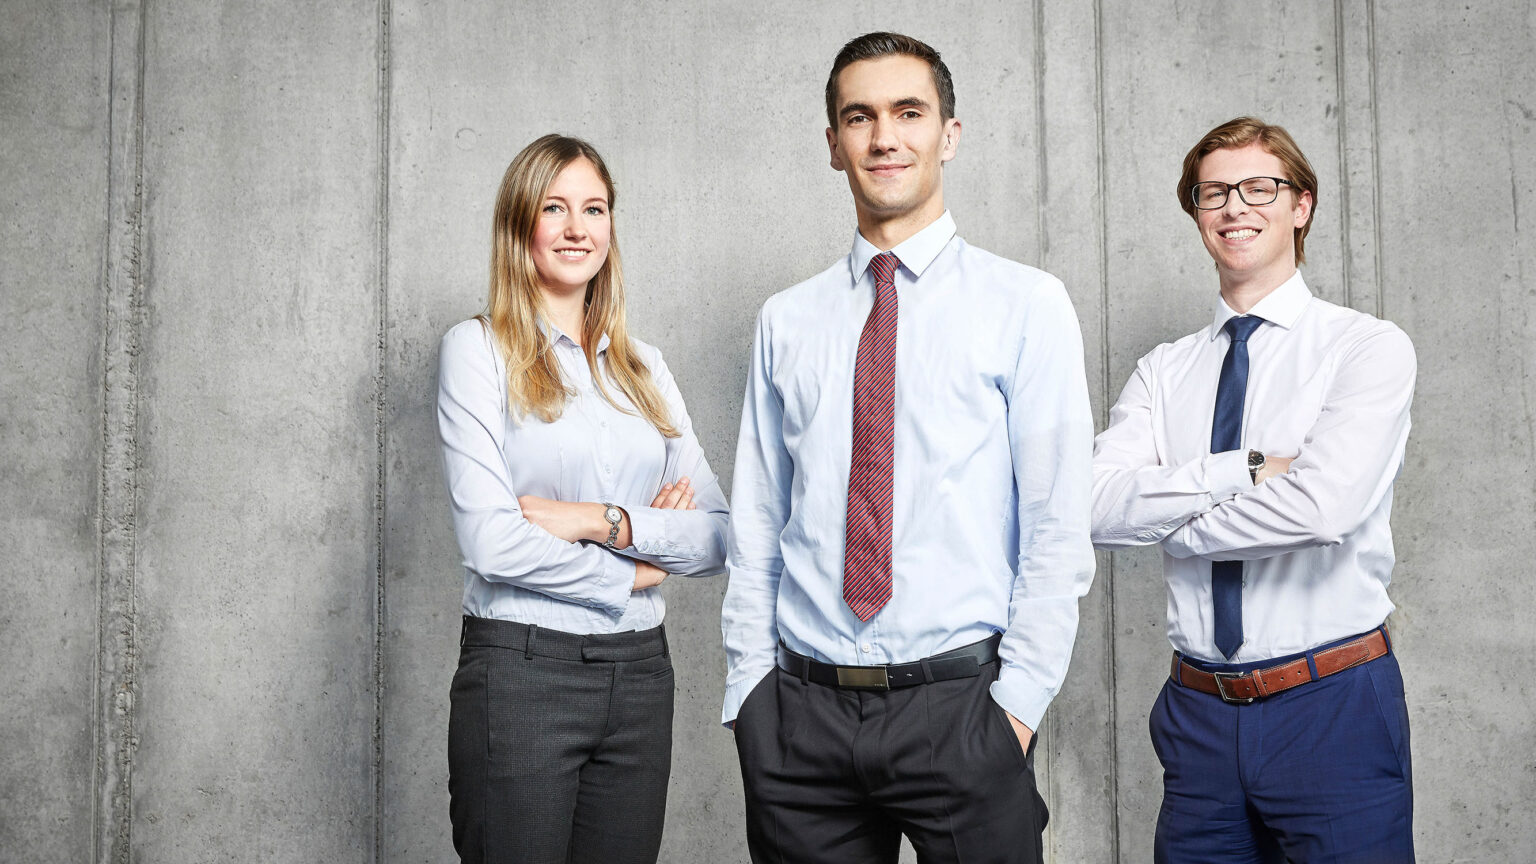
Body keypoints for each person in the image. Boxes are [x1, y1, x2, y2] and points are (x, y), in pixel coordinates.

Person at [721, 32, 1095, 864]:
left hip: (961, 708)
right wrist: (751, 692)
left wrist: (1016, 710)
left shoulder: (1026, 304)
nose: (884, 136)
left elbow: (1057, 521)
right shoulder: (788, 319)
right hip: (800, 719)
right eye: (860, 117)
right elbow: (757, 519)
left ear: (948, 135)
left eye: (908, 112)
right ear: (834, 145)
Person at [1091, 117, 1416, 862]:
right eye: (1213, 194)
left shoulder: (1364, 348)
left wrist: (1168, 524)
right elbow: (1092, 505)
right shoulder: (1162, 371)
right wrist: (1235, 472)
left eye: (1258, 187)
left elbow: (1322, 508)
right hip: (1198, 715)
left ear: (1300, 206)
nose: (1235, 207)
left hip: (1331, 704)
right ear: (1198, 214)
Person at [437, 133, 727, 864]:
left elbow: (720, 535)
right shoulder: (477, 352)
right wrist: (636, 568)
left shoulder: (645, 368)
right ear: (518, 226)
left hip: (639, 678)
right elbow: (493, 543)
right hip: (522, 673)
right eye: (555, 208)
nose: (577, 229)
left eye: (593, 209)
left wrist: (604, 522)